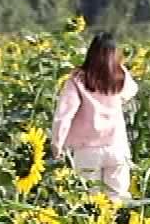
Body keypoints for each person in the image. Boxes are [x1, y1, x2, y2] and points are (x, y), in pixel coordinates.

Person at [50, 33, 138, 201]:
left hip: (87, 150)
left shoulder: (78, 79)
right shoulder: (120, 75)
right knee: (118, 199)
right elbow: (132, 91)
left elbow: (65, 114)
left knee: (89, 201)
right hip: (117, 146)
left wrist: (57, 143)